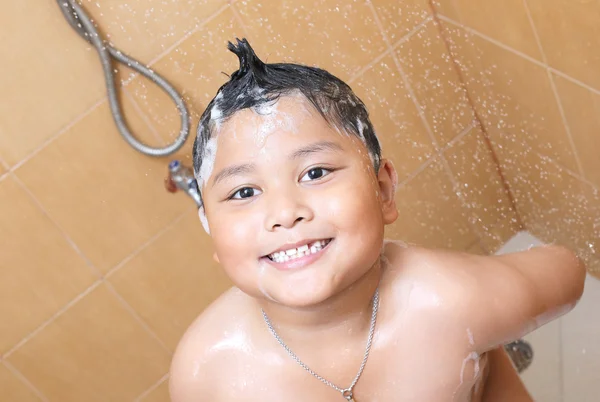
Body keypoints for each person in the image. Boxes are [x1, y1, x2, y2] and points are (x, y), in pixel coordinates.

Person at [169, 38, 586, 401]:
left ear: (383, 190)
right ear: (211, 227)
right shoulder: (206, 372)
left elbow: (567, 271)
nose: (284, 213)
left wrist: (490, 314)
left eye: (315, 172)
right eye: (244, 192)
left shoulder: (450, 301)